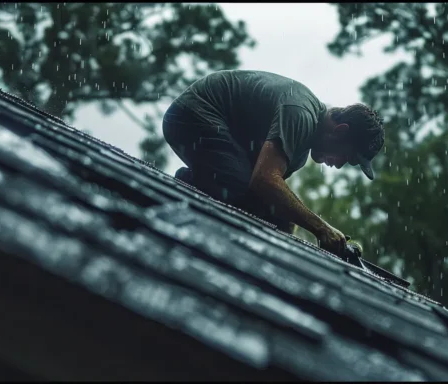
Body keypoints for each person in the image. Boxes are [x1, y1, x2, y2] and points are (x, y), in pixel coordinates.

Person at [162, 70, 385, 255]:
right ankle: (190, 183)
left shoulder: (298, 155)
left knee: (267, 212)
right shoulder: (300, 114)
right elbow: (264, 181)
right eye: (347, 157)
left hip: (221, 133)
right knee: (240, 196)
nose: (339, 165)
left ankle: (201, 182)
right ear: (340, 131)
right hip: (192, 112)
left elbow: (269, 197)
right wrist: (321, 228)